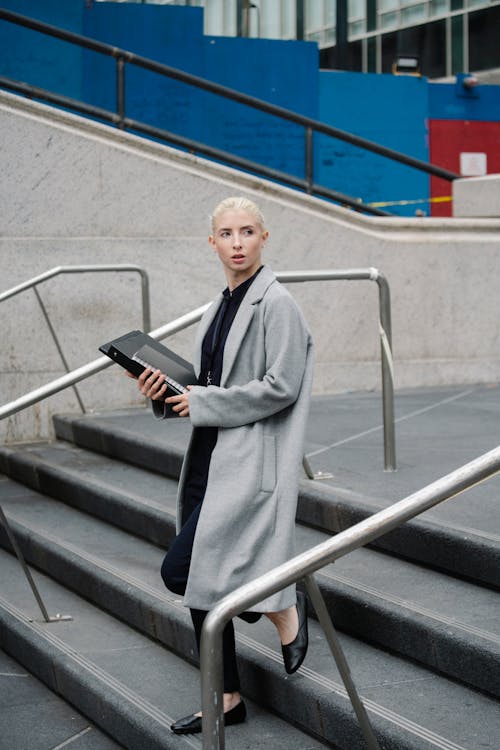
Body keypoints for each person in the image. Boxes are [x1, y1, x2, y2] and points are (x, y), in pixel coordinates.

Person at [133, 196, 314, 734]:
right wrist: (164, 393)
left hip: (247, 461)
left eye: (248, 232)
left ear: (264, 238)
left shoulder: (277, 304)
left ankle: (280, 605)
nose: (237, 243)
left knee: (182, 569)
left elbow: (282, 387)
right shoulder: (219, 305)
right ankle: (228, 696)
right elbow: (207, 384)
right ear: (211, 242)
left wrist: (204, 402)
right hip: (209, 456)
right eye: (227, 234)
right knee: (201, 577)